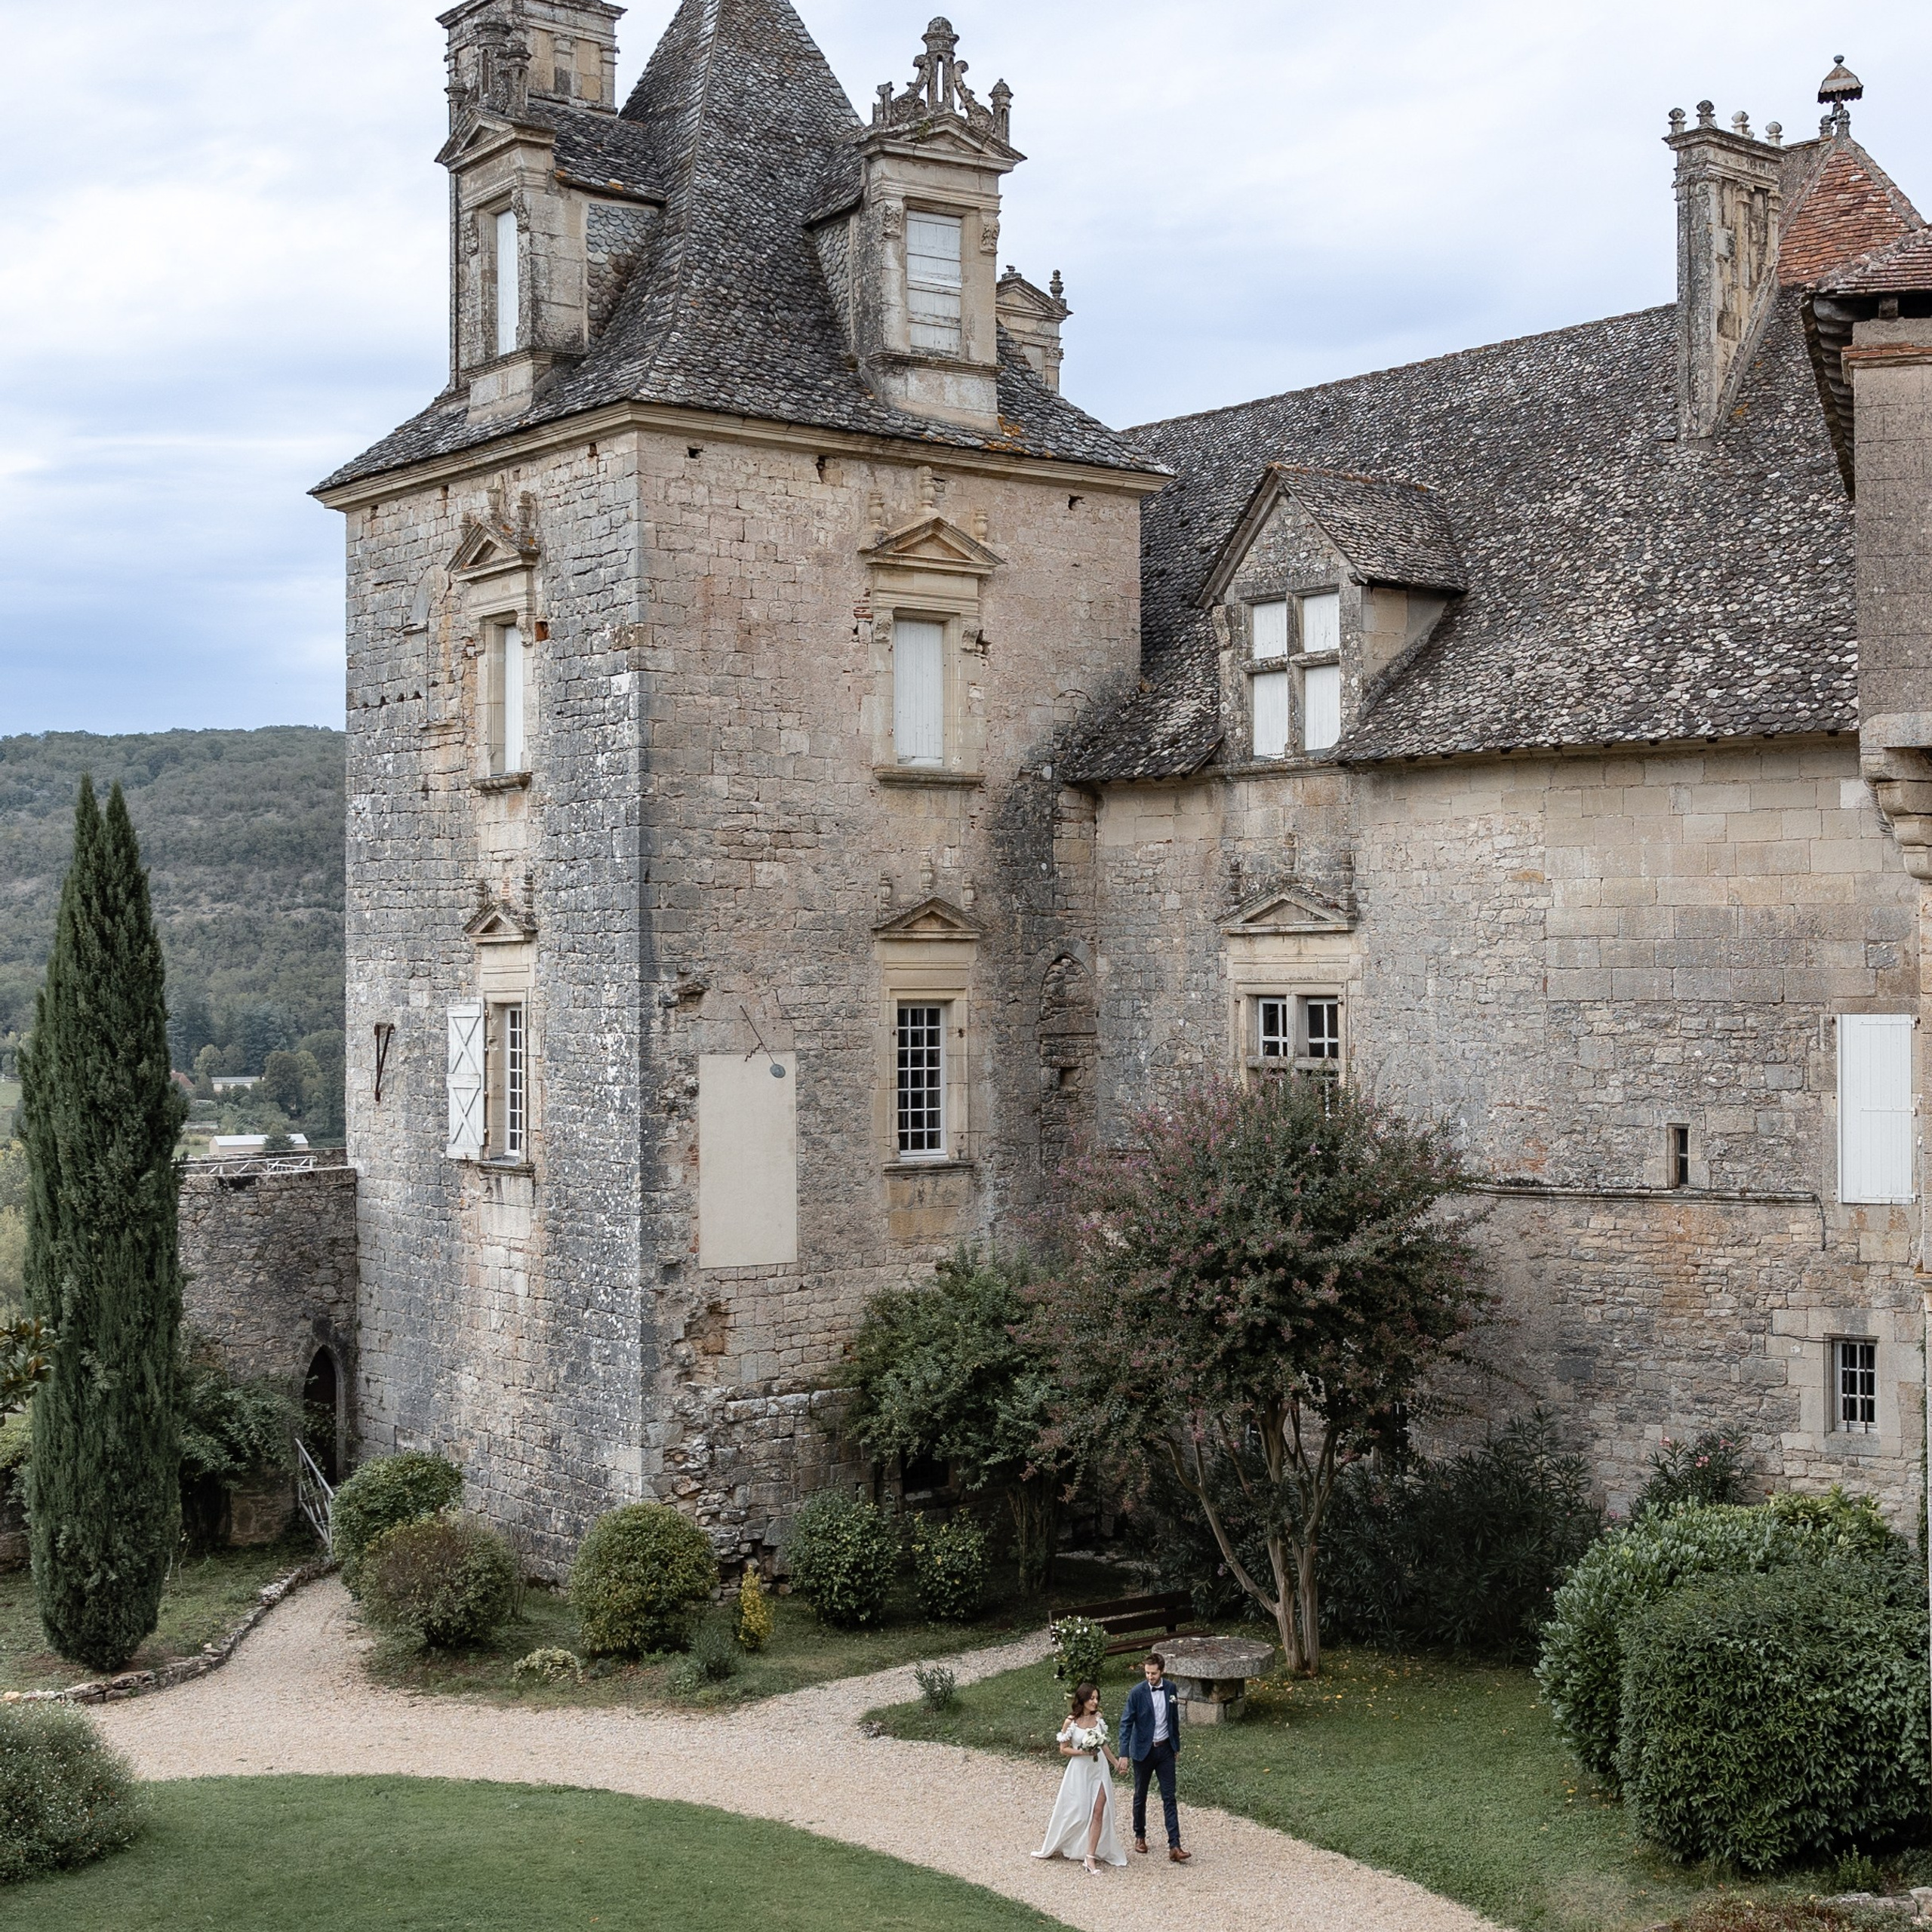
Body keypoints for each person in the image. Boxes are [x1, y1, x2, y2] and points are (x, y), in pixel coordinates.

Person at [1032, 1681, 1129, 1875]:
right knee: (1077, 1811)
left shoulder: (1098, 1719)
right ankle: (1059, 1842)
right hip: (1080, 1770)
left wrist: (1115, 1763)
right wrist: (1083, 1752)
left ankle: (1090, 1857)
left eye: (1097, 1698)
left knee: (1099, 1810)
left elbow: (1104, 1745)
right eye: (1092, 1698)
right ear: (1083, 1699)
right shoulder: (1071, 1722)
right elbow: (1063, 1749)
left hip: (1099, 1769)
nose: (1095, 1702)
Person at [1118, 1651, 1190, 1862]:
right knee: (1140, 1795)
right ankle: (1140, 1835)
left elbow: (1173, 1719)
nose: (1150, 1677)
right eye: (1147, 1673)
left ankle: (1175, 1845)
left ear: (1162, 1671)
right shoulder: (1137, 1693)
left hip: (1165, 1749)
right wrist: (1124, 1753)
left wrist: (1176, 1745)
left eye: (1154, 1673)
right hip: (1143, 1751)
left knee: (1169, 1796)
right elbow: (1126, 1723)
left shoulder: (1170, 1689)